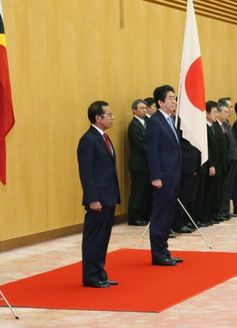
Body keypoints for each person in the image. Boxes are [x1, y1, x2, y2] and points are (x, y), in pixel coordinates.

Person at [77, 100, 120, 288]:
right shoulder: (88, 140)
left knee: (103, 238)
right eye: (108, 115)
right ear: (98, 118)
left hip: (108, 196)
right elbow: (86, 173)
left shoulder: (104, 137)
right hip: (98, 199)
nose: (112, 118)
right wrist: (92, 198)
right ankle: (91, 276)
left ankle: (100, 273)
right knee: (94, 238)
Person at [146, 85, 183, 266]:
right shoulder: (155, 122)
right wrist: (156, 177)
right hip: (162, 178)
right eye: (170, 98)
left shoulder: (170, 120)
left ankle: (164, 250)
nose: (174, 101)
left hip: (173, 176)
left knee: (168, 215)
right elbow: (152, 152)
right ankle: (158, 254)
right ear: (160, 102)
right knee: (160, 215)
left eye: (175, 98)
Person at [127, 99, 152, 226]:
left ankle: (144, 215)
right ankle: (134, 217)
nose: (144, 110)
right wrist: (154, 152)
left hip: (148, 165)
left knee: (146, 192)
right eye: (141, 108)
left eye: (145, 108)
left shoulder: (147, 122)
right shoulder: (133, 125)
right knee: (138, 192)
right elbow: (141, 145)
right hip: (139, 165)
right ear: (134, 110)